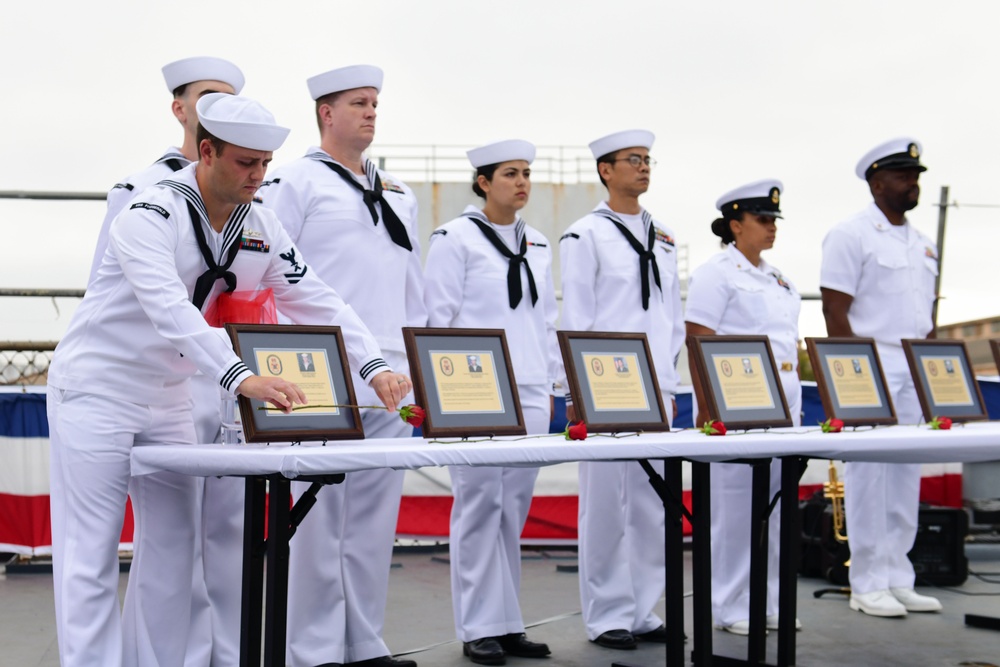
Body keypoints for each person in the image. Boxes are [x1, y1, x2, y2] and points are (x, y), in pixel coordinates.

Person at [47, 93, 410, 667]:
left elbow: (317, 298)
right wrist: (241, 376)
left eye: (266, 163)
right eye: (246, 162)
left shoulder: (260, 222)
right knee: (88, 556)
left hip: (167, 398)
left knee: (173, 548)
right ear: (208, 150)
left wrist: (373, 366)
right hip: (98, 389)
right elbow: (170, 309)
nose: (259, 175)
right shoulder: (149, 213)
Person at [86, 55, 253, 667]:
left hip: (213, 383)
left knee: (207, 541)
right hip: (159, 372)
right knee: (117, 551)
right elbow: (121, 295)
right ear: (180, 110)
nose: (219, 109)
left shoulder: (249, 197)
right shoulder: (140, 192)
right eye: (208, 97)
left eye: (231, 97)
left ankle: (205, 656)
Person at [257, 64, 425, 667]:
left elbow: (415, 289)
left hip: (392, 373)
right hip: (319, 370)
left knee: (374, 525)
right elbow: (272, 279)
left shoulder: (400, 193)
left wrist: (418, 363)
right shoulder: (296, 183)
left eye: (376, 103)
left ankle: (362, 644)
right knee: (318, 522)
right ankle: (314, 651)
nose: (372, 112)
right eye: (359, 103)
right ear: (326, 113)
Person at [424, 139, 559, 665]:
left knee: (513, 510)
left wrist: (555, 384)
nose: (522, 182)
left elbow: (545, 321)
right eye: (510, 173)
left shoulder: (540, 244)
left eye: (526, 173)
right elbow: (439, 318)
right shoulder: (455, 239)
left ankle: (507, 623)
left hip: (529, 387)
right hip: (475, 385)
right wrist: (443, 392)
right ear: (483, 182)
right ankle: (478, 624)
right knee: (479, 503)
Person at [559, 129, 684, 650]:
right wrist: (576, 392)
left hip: (656, 382)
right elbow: (577, 317)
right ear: (606, 170)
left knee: (652, 502)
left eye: (648, 160)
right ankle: (607, 612)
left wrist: (671, 382)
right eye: (633, 160)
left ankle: (642, 607)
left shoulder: (664, 235)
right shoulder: (584, 235)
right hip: (606, 382)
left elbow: (672, 316)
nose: (644, 167)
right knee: (606, 503)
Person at [820, 137, 943, 618]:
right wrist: (851, 374)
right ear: (876, 182)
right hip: (871, 363)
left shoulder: (923, 244)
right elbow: (835, 309)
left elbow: (926, 316)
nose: (913, 183)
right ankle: (867, 580)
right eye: (902, 175)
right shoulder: (850, 234)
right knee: (869, 473)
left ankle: (898, 575)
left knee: (905, 470)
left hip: (915, 365)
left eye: (915, 175)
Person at [685, 179, 803, 635]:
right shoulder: (717, 273)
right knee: (735, 512)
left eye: (774, 219)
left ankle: (768, 600)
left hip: (784, 405)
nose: (771, 227)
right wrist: (708, 405)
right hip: (738, 403)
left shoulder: (779, 279)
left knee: (774, 508)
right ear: (735, 225)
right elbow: (698, 337)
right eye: (762, 219)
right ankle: (732, 605)